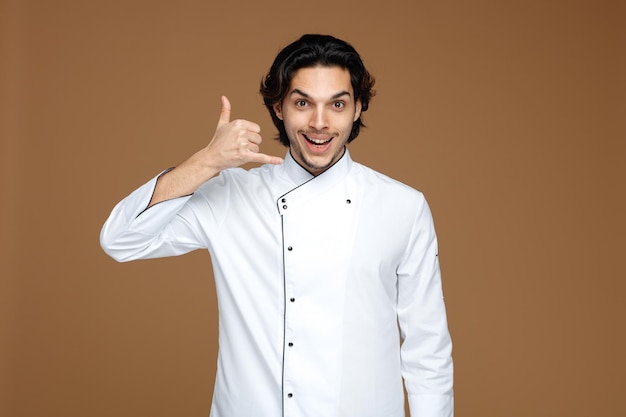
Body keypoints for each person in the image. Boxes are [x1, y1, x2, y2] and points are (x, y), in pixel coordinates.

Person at [100, 34, 453, 417]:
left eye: (337, 104)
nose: (319, 123)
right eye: (303, 103)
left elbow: (427, 351)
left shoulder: (402, 206)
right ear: (278, 107)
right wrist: (207, 162)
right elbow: (121, 239)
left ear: (357, 108)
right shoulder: (232, 195)